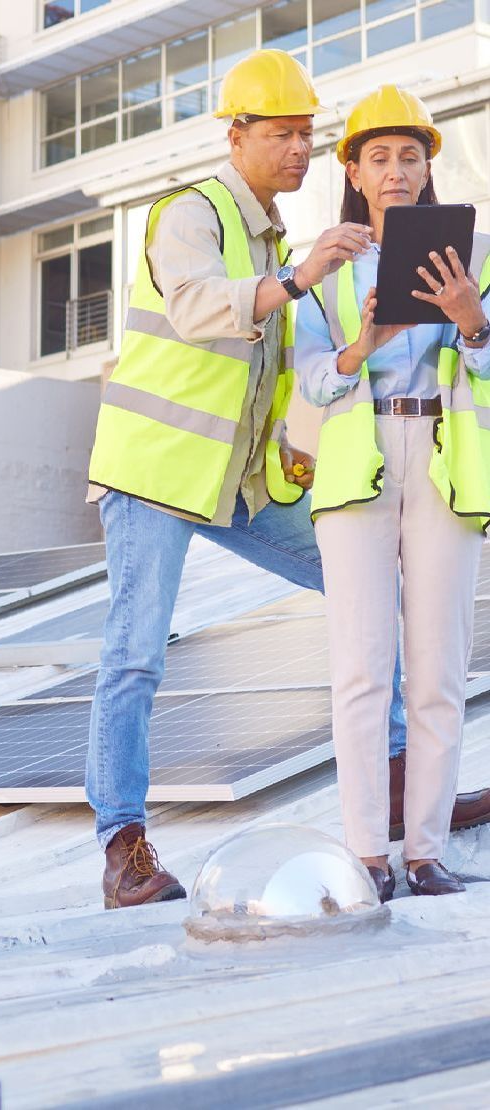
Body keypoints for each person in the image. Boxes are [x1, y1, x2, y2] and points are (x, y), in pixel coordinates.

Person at [84, 50, 490, 910]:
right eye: (281, 134)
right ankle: (123, 845)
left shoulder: (282, 237)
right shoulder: (191, 216)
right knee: (135, 656)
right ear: (237, 136)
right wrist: (307, 283)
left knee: (368, 603)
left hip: (241, 481)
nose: (298, 150)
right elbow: (202, 310)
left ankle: (402, 795)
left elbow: (284, 381)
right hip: (158, 470)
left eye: (306, 134)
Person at [296, 86, 490, 900]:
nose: (397, 171)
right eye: (379, 157)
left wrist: (472, 323)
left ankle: (425, 852)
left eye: (411, 156)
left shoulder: (473, 259)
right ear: (353, 170)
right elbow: (304, 381)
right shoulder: (326, 264)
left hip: (443, 461)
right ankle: (369, 853)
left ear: (428, 167)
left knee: (440, 672)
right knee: (362, 669)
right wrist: (360, 345)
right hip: (356, 461)